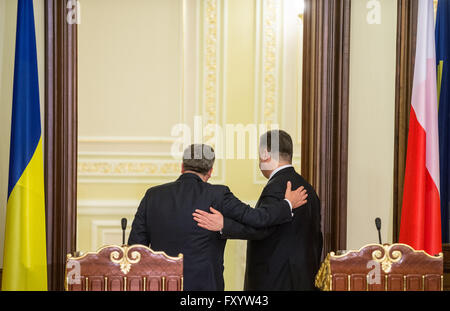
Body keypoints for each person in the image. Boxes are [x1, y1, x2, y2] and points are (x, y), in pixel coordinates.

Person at [127, 143, 308, 291]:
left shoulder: (152, 196)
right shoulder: (217, 194)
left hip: (161, 286)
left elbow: (136, 248)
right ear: (210, 171)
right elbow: (256, 218)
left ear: (182, 167)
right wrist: (287, 205)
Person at [193, 130, 323, 290]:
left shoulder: (277, 187)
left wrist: (223, 225)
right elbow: (318, 238)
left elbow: (260, 228)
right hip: (305, 279)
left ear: (265, 154)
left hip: (278, 281)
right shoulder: (308, 188)